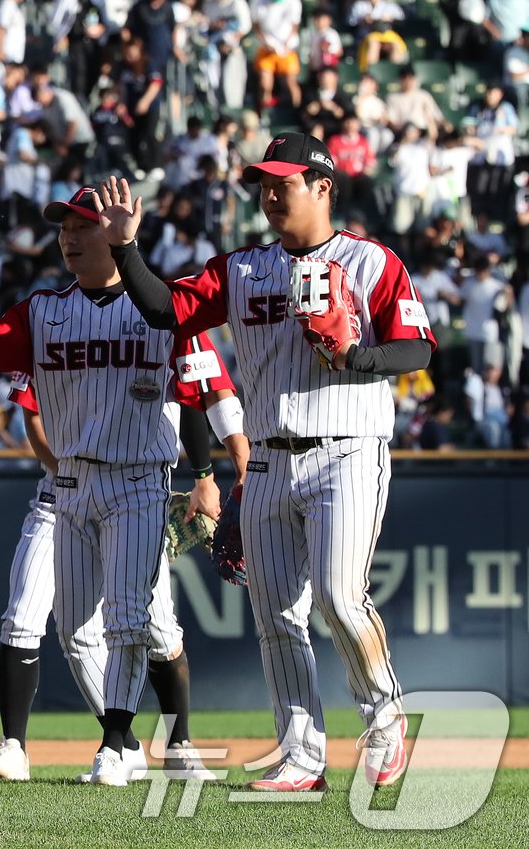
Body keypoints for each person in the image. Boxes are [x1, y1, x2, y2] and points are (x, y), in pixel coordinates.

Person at [0, 186, 246, 787]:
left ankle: (117, 745)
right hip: (70, 486)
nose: (69, 238)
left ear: (116, 231)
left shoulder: (163, 309)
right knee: (76, 628)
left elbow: (199, 392)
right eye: (64, 228)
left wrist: (207, 474)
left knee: (132, 616)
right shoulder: (45, 311)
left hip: (137, 482)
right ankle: (119, 743)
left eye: (83, 226)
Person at [102, 129, 436, 791]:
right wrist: (125, 247)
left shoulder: (372, 263)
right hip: (268, 461)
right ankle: (302, 756)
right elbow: (168, 308)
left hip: (347, 448)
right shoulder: (243, 268)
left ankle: (385, 710)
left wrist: (356, 358)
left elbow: (417, 349)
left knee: (341, 597)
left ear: (322, 188)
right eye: (263, 183)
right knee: (276, 615)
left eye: (283, 182)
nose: (270, 193)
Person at [0, 365, 247, 784]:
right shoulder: (54, 316)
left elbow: (207, 392)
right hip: (59, 496)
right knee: (40, 622)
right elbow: (34, 416)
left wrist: (216, 476)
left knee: (158, 629)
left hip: (138, 493)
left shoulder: (165, 321)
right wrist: (72, 477)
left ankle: (179, 746)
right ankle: (108, 746)